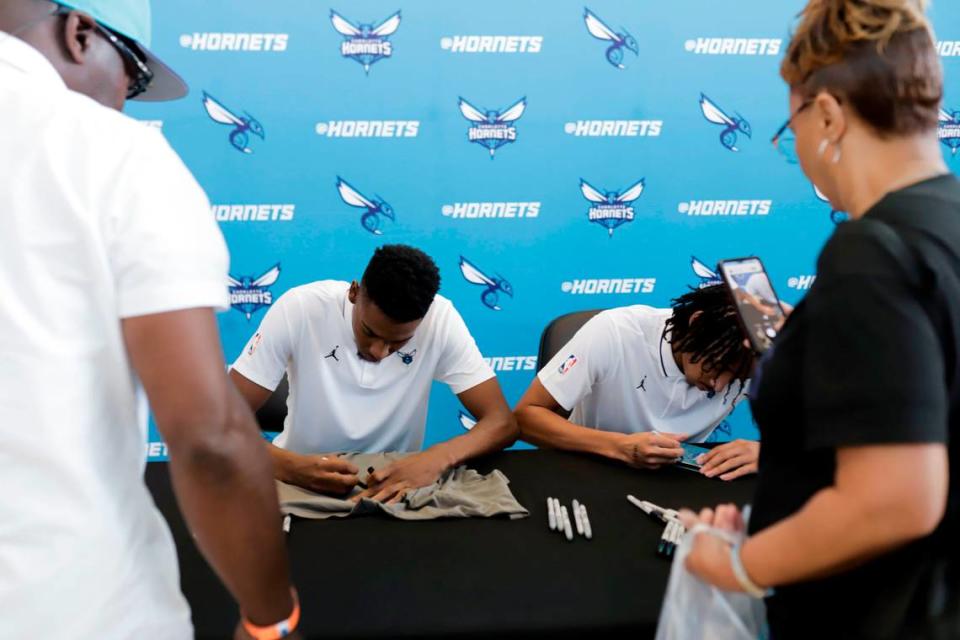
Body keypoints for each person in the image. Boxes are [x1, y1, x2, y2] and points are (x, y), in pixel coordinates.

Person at [0, 1, 301, 638]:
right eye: (134, 78)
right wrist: (271, 620)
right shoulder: (110, 154)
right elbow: (211, 440)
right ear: (80, 33)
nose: (125, 102)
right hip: (73, 608)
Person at [681, 1, 960, 637]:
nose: (798, 149)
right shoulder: (941, 227)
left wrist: (737, 565)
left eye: (790, 132)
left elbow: (893, 501)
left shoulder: (872, 253)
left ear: (828, 114)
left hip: (878, 612)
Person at [229, 244, 518, 503]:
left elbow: (502, 422)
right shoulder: (301, 308)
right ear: (354, 292)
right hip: (297, 477)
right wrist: (290, 466)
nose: (380, 352)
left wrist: (435, 458)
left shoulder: (441, 319)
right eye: (370, 332)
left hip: (394, 487)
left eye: (399, 341)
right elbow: (217, 420)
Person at [515, 285, 759, 481]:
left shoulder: (757, 355)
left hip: (681, 480)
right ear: (697, 325)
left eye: (738, 379)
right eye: (719, 366)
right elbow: (525, 417)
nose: (719, 387)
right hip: (590, 468)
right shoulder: (615, 332)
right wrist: (620, 447)